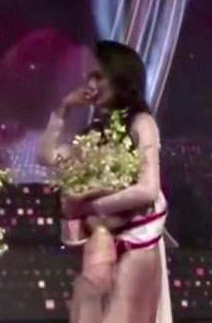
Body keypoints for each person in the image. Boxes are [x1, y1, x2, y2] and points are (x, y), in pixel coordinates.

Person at [37, 41, 172, 323]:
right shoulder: (98, 131)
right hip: (105, 243)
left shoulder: (141, 123)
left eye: (98, 76)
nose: (90, 84)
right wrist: (63, 108)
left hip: (136, 245)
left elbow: (148, 190)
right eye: (88, 76)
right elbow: (47, 156)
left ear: (120, 76)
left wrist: (91, 206)